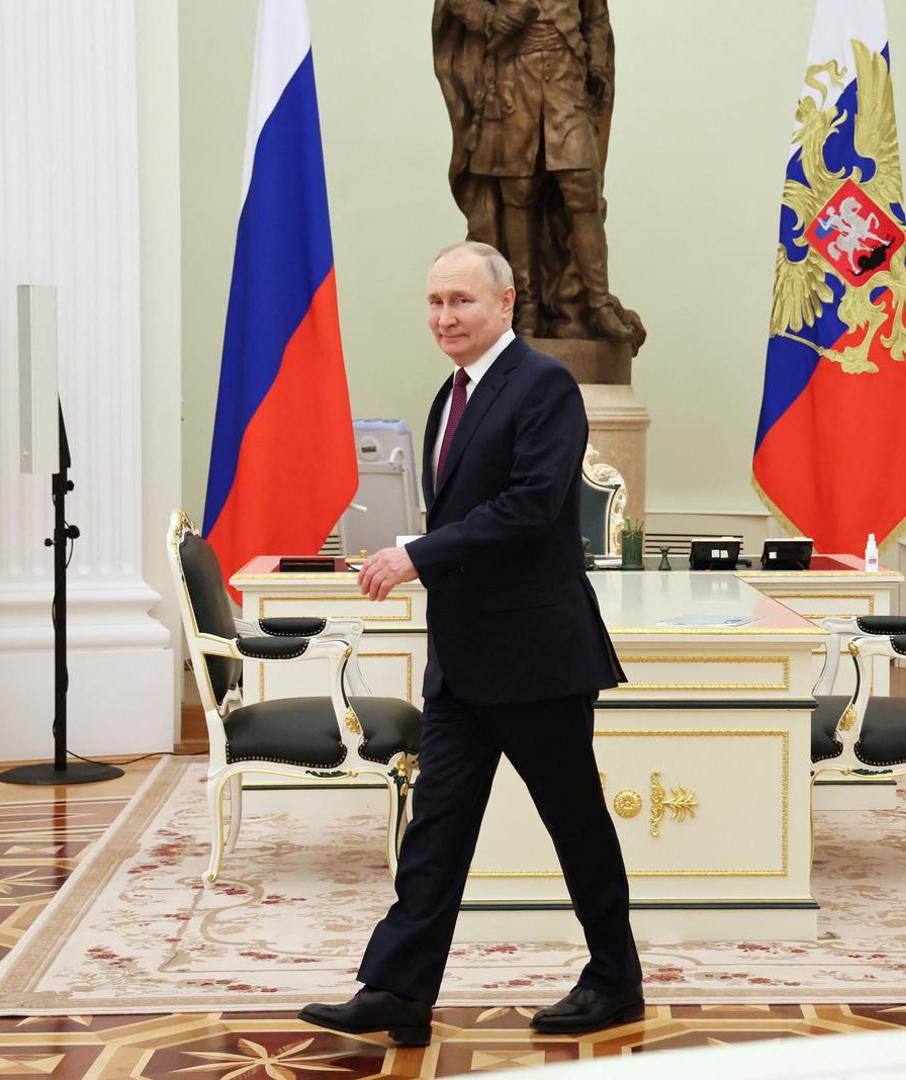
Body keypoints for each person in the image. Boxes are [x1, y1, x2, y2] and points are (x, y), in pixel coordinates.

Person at [298, 242, 642, 1045]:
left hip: (536, 660)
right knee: (437, 828)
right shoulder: (445, 396)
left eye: (460, 301)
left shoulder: (544, 385)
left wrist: (415, 554)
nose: (444, 317)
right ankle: (396, 991)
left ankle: (615, 979)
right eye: (433, 302)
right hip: (462, 662)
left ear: (505, 303)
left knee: (576, 825)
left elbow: (528, 508)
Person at [432, 0, 640, 345]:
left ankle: (597, 305)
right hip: (512, 80)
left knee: (583, 192)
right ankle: (525, 307)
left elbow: (596, 16)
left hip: (566, 82)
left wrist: (599, 66)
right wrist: (490, 18)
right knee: (519, 196)